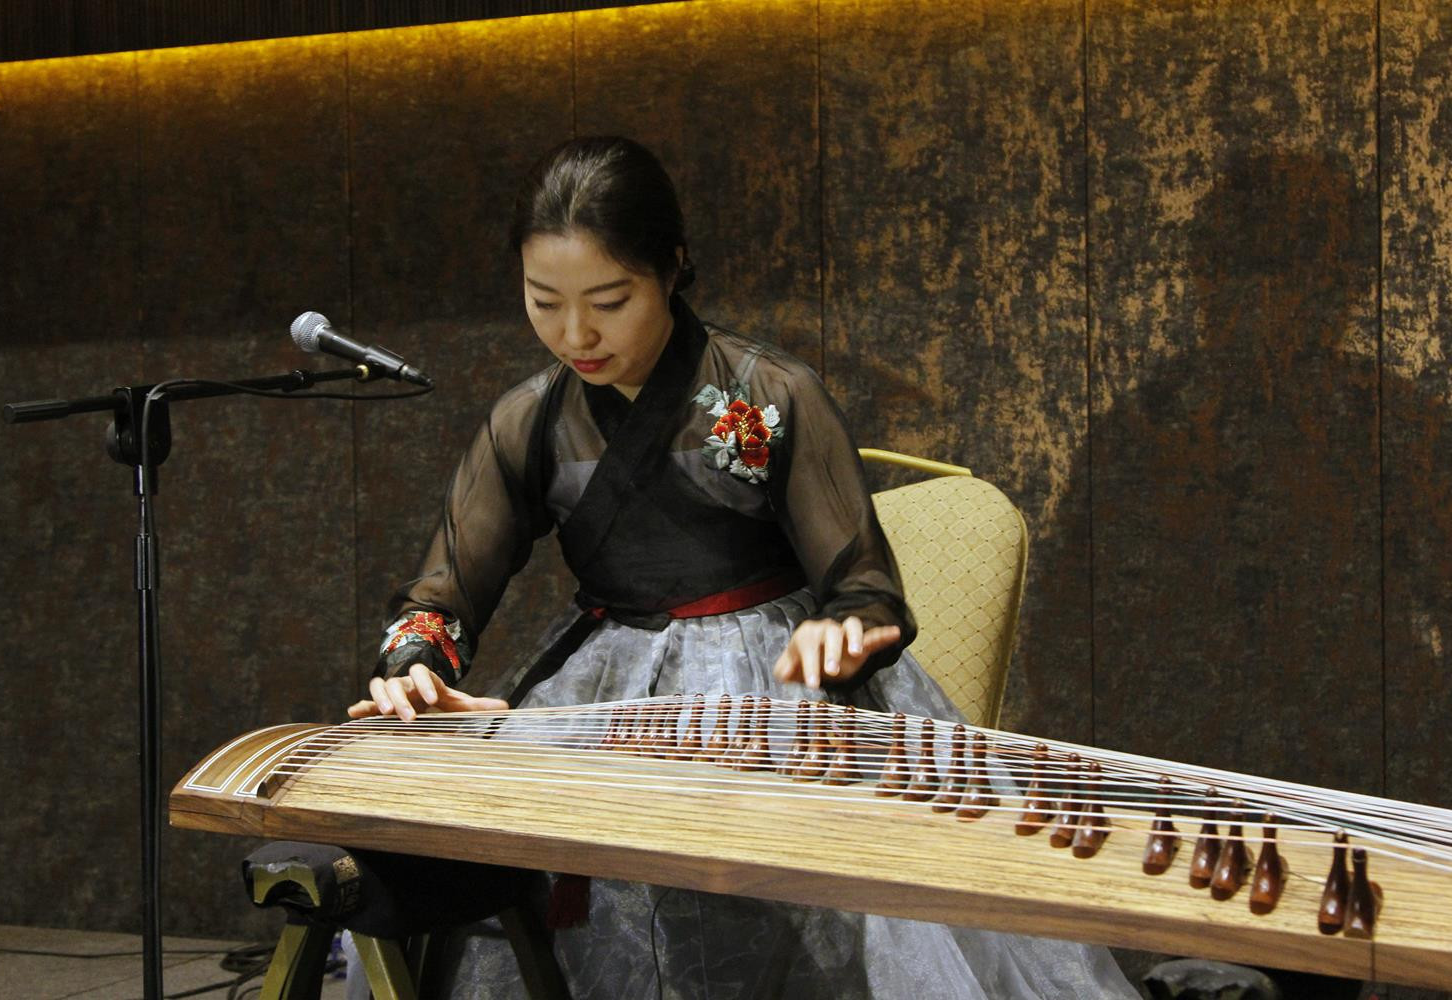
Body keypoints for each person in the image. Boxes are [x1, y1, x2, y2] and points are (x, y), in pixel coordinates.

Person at [347, 136, 1139, 1000]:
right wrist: (415, 665)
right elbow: (446, 593)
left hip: (779, 688)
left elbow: (864, 584)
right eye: (544, 302)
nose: (576, 334)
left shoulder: (771, 394)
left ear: (673, 269)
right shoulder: (528, 421)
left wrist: (845, 633)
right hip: (609, 690)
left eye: (610, 302)